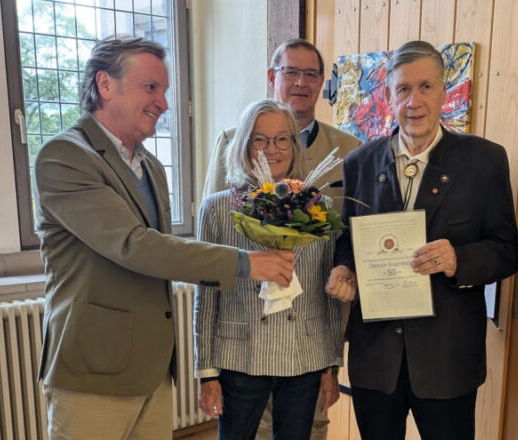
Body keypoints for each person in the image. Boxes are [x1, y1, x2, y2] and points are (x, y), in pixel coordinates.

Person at [34, 36, 294, 439]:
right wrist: (244, 262)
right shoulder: (64, 157)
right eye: (150, 87)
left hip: (152, 373)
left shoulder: (151, 167)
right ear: (105, 85)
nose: (164, 103)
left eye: (165, 91)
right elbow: (134, 245)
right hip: (94, 371)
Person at [327, 40, 518, 439]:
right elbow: (347, 240)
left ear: (444, 91)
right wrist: (344, 267)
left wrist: (459, 259)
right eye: (403, 89)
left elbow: (509, 251)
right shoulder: (359, 163)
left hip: (447, 361)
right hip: (376, 360)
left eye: (425, 87)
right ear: (388, 97)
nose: (414, 101)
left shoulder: (484, 161)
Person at [202, 38, 361, 439]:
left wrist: (332, 362)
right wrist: (206, 370)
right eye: (260, 139)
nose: (271, 148)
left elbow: (332, 273)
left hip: (305, 350)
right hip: (241, 349)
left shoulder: (328, 187)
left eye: (282, 140)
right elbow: (208, 282)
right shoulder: (220, 197)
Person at [203, 38, 361, 213]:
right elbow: (212, 214)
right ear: (272, 77)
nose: (301, 82)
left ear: (321, 81)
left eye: (310, 74)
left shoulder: (350, 149)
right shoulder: (230, 141)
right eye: (291, 72)